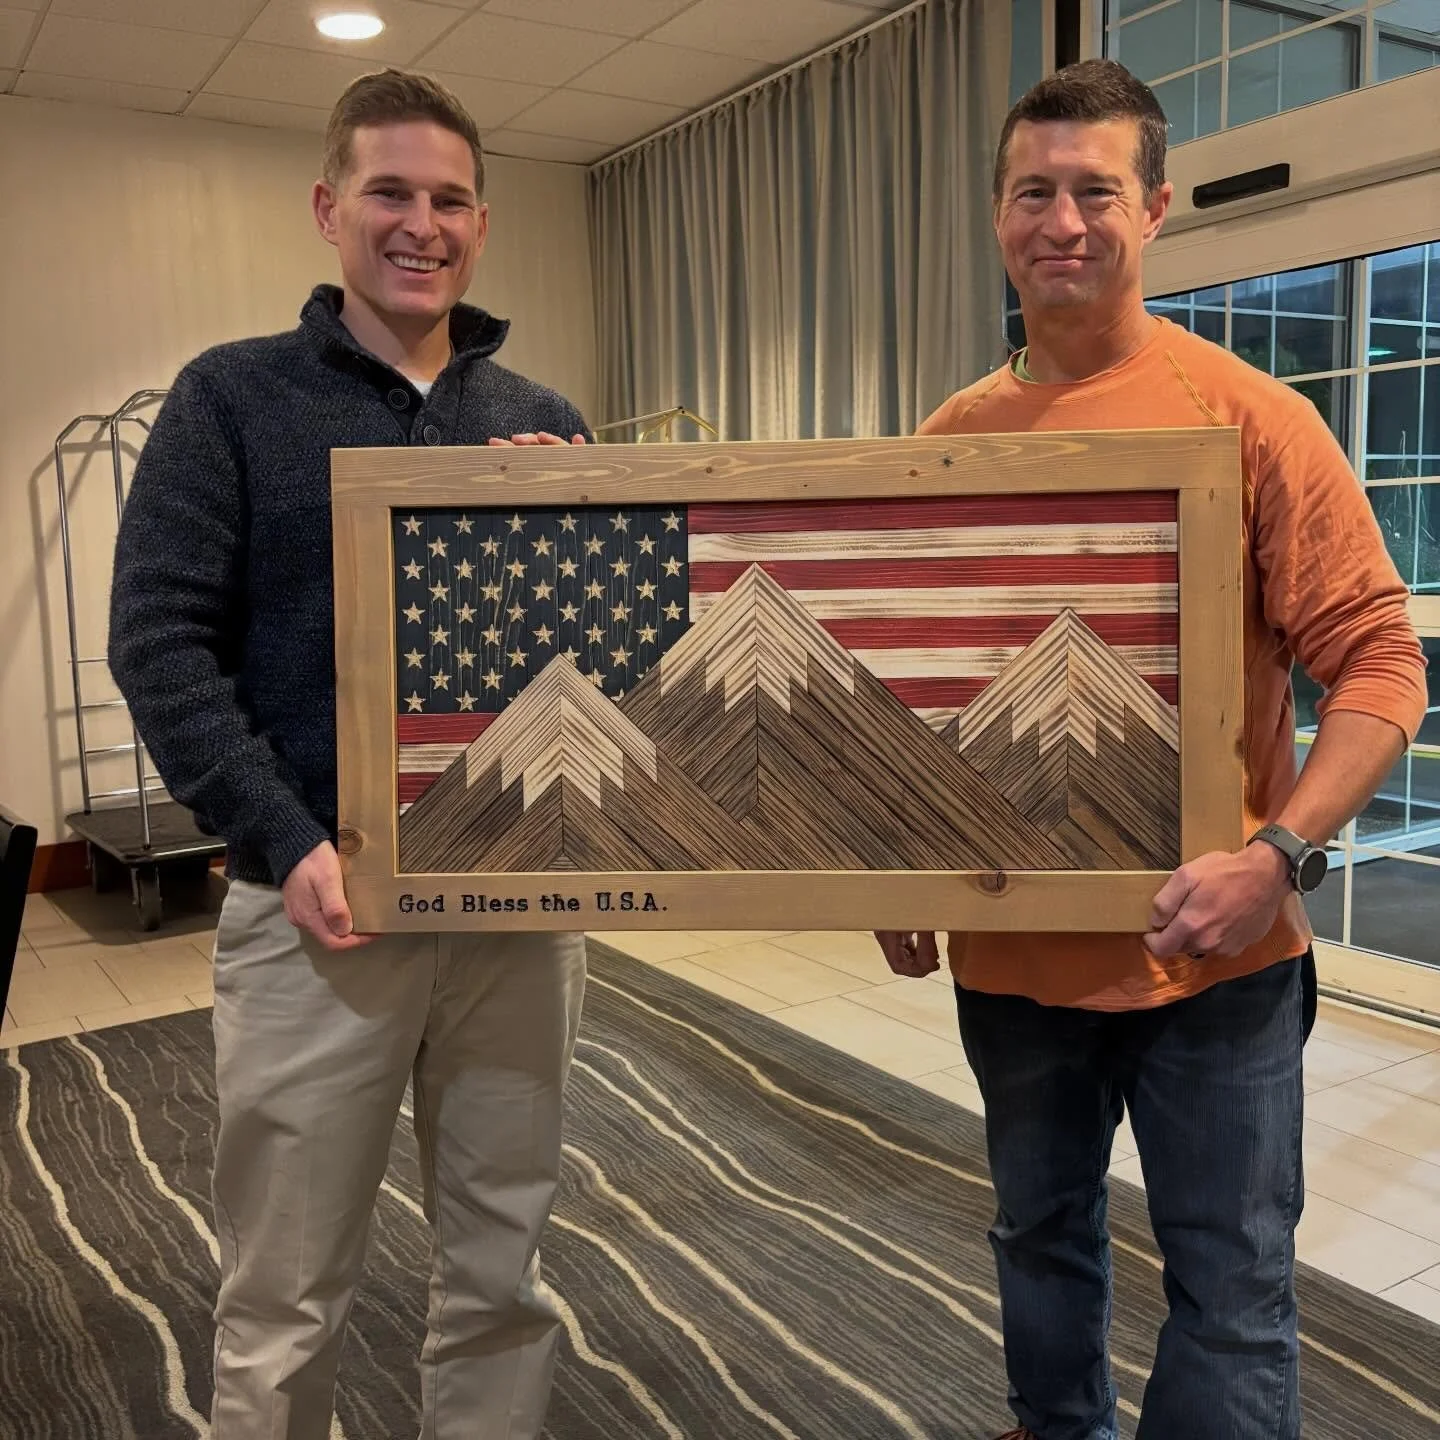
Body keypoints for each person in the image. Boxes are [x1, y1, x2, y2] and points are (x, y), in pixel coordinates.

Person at [876, 59, 1427, 1440]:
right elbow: (913, 687)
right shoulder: (951, 439)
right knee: (1039, 1245)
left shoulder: (1253, 420)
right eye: (1033, 192)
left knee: (1231, 1288)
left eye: (1095, 191)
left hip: (1221, 960)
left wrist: (1278, 855)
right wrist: (900, 867)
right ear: (998, 216)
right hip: (1013, 959)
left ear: (1158, 209)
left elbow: (1379, 659)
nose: (1063, 221)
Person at [109, 69, 589, 1440]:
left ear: (482, 223)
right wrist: (284, 830)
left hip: (514, 919)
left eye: (447, 199)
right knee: (283, 1291)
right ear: (330, 209)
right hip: (313, 912)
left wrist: (581, 526)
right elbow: (158, 644)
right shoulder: (229, 400)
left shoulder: (540, 417)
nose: (418, 223)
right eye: (389, 192)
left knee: (504, 1265)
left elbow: (610, 683)